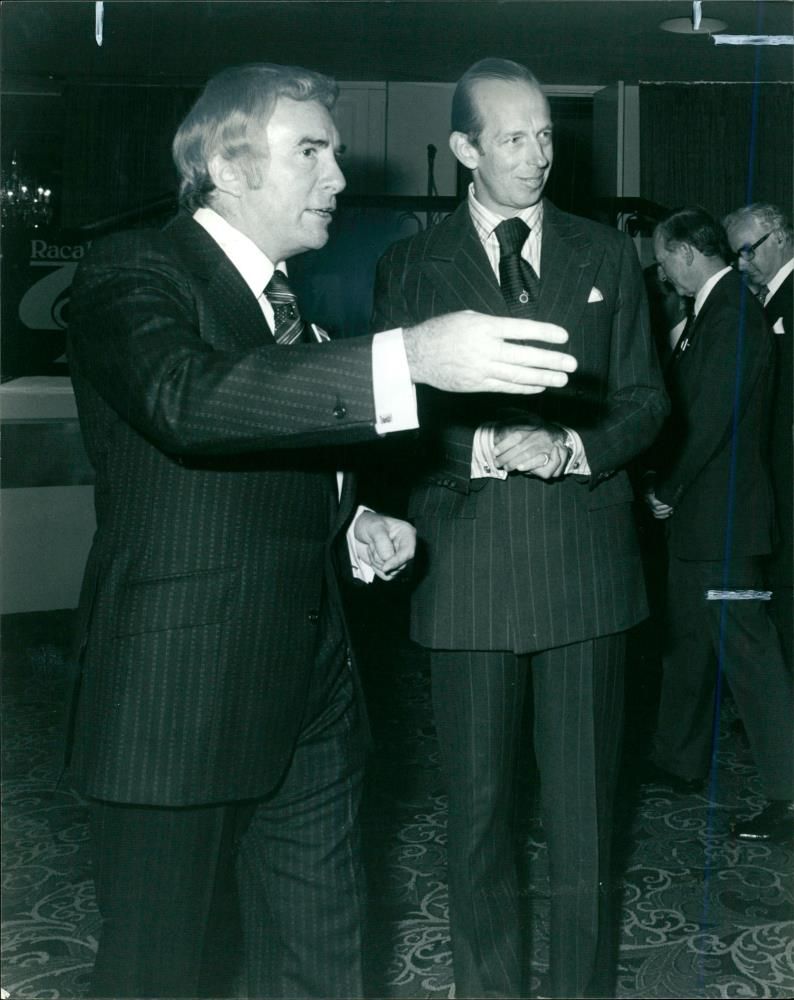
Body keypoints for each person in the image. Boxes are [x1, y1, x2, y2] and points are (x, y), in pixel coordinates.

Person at [65, 62, 578, 999]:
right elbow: (189, 403)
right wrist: (414, 354)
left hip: (312, 695)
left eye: (334, 153)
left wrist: (349, 518)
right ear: (227, 163)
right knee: (158, 974)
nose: (338, 178)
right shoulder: (132, 270)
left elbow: (269, 451)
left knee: (323, 966)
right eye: (311, 152)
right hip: (178, 704)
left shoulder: (289, 307)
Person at [371, 58, 668, 999]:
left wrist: (574, 450)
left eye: (545, 135)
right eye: (512, 138)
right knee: (480, 826)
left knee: (584, 829)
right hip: (465, 580)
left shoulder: (606, 255)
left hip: (585, 579)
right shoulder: (410, 267)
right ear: (464, 148)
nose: (537, 156)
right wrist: (484, 447)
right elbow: (395, 421)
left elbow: (646, 402)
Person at [643, 207, 793, 843]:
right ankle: (677, 759)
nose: (662, 273)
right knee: (687, 641)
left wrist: (668, 489)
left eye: (661, 259)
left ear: (681, 253)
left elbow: (708, 420)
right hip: (707, 525)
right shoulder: (719, 307)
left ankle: (789, 796)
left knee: (750, 657)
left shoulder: (731, 312)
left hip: (724, 523)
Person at [722, 203, 793, 672]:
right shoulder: (766, 298)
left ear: (781, 237)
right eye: (737, 255)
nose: (743, 263)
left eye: (749, 251)